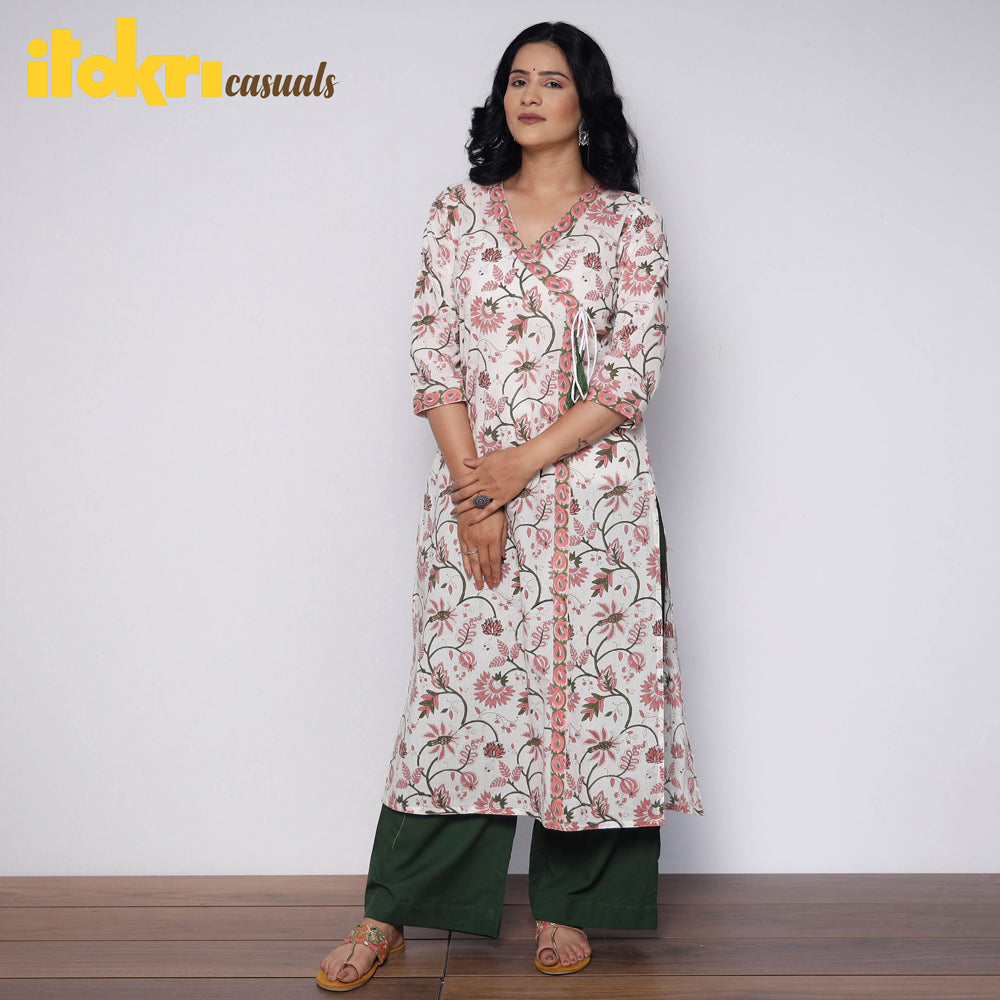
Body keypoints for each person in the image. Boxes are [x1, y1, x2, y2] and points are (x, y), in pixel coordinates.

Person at [317, 21, 701, 992]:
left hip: (597, 506)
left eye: (552, 81)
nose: (529, 96)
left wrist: (518, 466)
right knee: (457, 701)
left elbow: (629, 375)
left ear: (587, 101)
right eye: (516, 80)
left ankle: (571, 905)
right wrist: (474, 493)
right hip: (475, 499)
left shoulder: (630, 225)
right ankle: (391, 908)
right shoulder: (458, 214)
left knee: (593, 701)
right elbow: (434, 358)